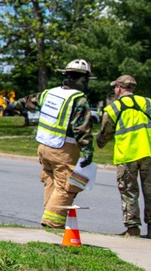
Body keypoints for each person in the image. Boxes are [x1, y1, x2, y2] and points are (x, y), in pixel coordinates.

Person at [18, 59, 95, 229]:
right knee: (66, 187)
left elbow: (25, 102)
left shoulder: (49, 93)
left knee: (51, 181)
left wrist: (12, 105)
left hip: (44, 148)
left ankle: (48, 218)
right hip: (64, 149)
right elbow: (81, 129)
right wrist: (88, 151)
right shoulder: (79, 99)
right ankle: (53, 223)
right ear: (82, 79)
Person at [96, 74, 151, 239]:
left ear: (119, 88)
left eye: (115, 87)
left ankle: (132, 229)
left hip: (127, 155)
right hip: (150, 153)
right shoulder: (149, 104)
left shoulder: (113, 108)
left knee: (128, 191)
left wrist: (99, 142)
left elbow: (105, 134)